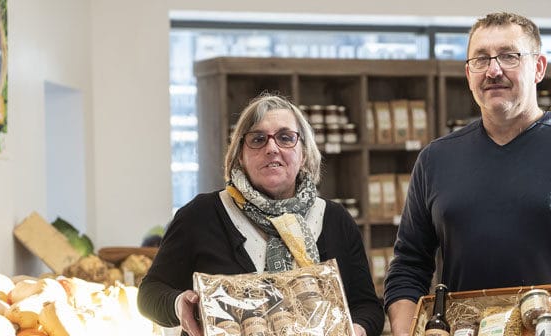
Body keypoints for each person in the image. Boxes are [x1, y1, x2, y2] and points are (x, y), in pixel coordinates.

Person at [384, 12, 551, 336]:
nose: (493, 70)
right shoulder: (435, 159)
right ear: (468, 73)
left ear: (538, 67)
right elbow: (408, 267)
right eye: (481, 59)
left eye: (509, 56)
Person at [138, 93, 384, 336]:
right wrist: (178, 304)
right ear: (240, 156)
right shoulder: (200, 216)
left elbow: (367, 306)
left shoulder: (335, 220)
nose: (272, 148)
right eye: (257, 140)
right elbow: (150, 293)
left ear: (305, 153)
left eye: (286, 138)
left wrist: (356, 329)